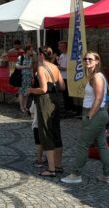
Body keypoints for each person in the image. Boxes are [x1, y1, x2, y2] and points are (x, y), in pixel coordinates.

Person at [61, 51, 109, 184]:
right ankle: (107, 176)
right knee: (102, 144)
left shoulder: (97, 77)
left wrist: (89, 116)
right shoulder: (93, 76)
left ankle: (76, 174)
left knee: (83, 145)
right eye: (85, 59)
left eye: (90, 59)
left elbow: (99, 98)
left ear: (97, 61)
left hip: (95, 113)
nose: (87, 61)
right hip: (97, 113)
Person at [28, 47, 64, 177]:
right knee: (56, 132)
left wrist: (31, 90)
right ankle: (59, 165)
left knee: (46, 132)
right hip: (56, 100)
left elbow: (43, 89)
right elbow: (62, 86)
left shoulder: (41, 68)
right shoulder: (55, 67)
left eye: (38, 55)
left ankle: (51, 168)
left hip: (45, 101)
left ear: (41, 56)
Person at [16, 45, 34, 114]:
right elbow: (17, 66)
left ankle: (25, 106)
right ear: (27, 50)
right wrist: (26, 66)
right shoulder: (21, 57)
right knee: (21, 92)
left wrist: (32, 77)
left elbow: (31, 68)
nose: (32, 51)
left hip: (28, 77)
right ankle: (21, 107)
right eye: (31, 50)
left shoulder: (30, 58)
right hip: (22, 77)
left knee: (27, 92)